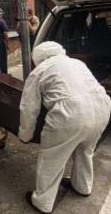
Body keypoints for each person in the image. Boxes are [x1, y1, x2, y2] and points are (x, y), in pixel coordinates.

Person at [18, 41, 111, 213]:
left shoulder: (39, 71)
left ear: (38, 57)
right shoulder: (77, 63)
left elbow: (28, 108)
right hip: (102, 108)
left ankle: (42, 203)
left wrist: (25, 135)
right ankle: (82, 186)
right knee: (85, 151)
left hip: (70, 115)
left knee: (51, 159)